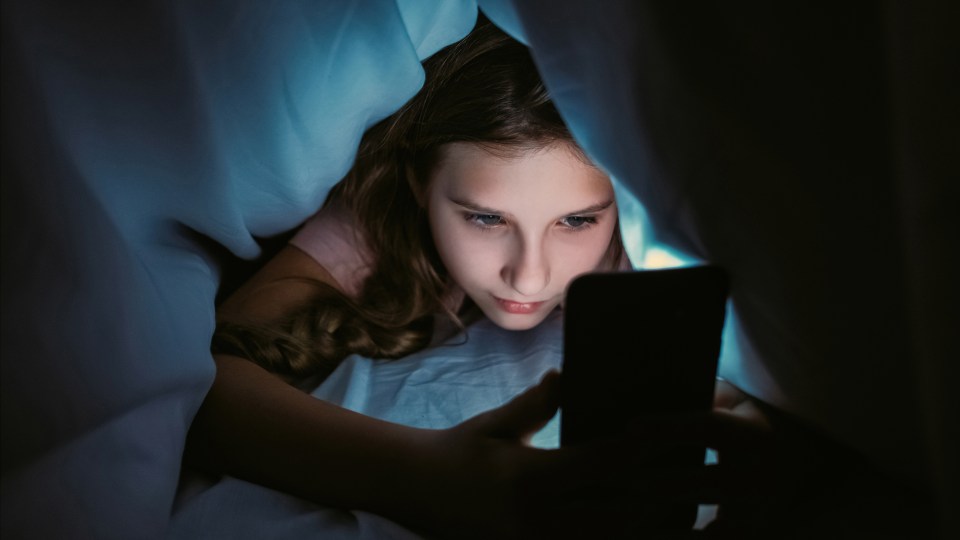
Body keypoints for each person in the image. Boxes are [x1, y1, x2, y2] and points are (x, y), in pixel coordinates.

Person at [185, 16, 809, 540]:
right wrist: (424, 475)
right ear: (419, 186)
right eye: (485, 218)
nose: (530, 274)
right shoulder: (380, 222)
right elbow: (202, 389)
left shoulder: (646, 257)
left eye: (576, 220)